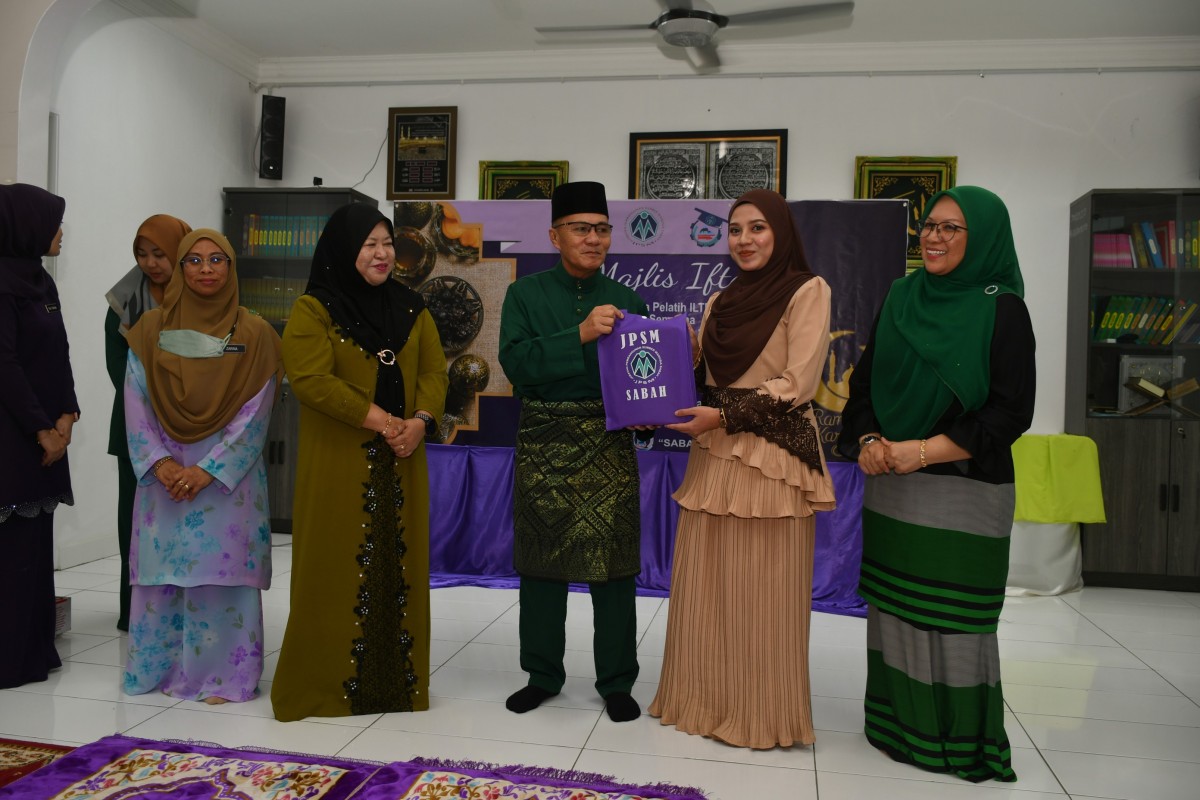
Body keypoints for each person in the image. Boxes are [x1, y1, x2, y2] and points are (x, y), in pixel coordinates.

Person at [838, 186, 1035, 782]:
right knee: (895, 609)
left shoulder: (1002, 309)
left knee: (954, 617)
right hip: (893, 485)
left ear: (985, 238)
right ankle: (898, 728)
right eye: (928, 225)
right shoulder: (902, 296)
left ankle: (957, 740)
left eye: (951, 227)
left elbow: (1009, 413)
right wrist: (870, 441)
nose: (934, 237)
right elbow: (863, 386)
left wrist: (920, 452)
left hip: (964, 489)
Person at [647, 189, 836, 748]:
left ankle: (760, 715)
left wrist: (724, 415)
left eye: (757, 228)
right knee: (707, 589)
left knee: (764, 595)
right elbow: (706, 378)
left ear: (781, 232)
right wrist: (681, 356)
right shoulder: (719, 302)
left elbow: (798, 382)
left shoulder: (808, 290)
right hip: (714, 458)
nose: (744, 240)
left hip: (772, 463)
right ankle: (702, 704)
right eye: (735, 230)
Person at [271, 204, 447, 721]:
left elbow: (435, 372)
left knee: (400, 567)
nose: (382, 253)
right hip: (338, 463)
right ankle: (320, 688)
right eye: (369, 244)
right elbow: (311, 380)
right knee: (331, 567)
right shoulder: (314, 309)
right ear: (344, 250)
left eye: (387, 243)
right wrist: (383, 421)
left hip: (403, 460)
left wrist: (420, 421)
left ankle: (395, 688)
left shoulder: (412, 307)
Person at [498, 181, 650, 723]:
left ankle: (617, 681)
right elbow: (516, 363)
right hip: (545, 443)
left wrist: (650, 410)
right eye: (581, 229)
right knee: (541, 567)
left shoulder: (629, 302)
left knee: (615, 571)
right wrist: (580, 334)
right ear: (554, 236)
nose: (593, 239)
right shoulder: (524, 295)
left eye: (602, 229)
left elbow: (643, 381)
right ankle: (542, 675)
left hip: (609, 445)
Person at [123, 228, 282, 703]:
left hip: (226, 479)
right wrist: (159, 462)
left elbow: (256, 413)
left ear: (231, 267)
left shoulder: (256, 334)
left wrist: (207, 470)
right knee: (161, 576)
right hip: (165, 477)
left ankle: (224, 677)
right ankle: (158, 670)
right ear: (181, 268)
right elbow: (134, 400)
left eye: (217, 260)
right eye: (194, 260)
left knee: (222, 576)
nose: (206, 269)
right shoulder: (150, 329)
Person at [0, 184, 77, 689]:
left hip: (50, 433)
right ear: (25, 226)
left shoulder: (40, 281)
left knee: (35, 545)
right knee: (12, 549)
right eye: (53, 223)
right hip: (14, 436)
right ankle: (9, 659)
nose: (60, 233)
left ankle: (34, 651)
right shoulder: (2, 285)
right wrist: (41, 428)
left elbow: (60, 350)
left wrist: (68, 413)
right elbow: (4, 366)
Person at [105, 214, 192, 632]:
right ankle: (134, 611)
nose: (150, 263)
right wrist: (153, 403)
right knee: (134, 522)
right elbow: (117, 366)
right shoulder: (124, 299)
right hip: (136, 425)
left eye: (160, 253)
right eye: (142, 254)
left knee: (186, 524)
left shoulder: (202, 293)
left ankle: (182, 609)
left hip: (192, 425)